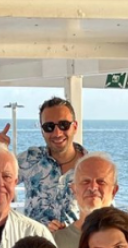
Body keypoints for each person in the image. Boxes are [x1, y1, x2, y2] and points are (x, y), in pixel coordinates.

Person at [52, 151, 120, 248]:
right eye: (85, 181)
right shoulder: (55, 242)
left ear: (114, 191)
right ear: (74, 190)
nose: (93, 187)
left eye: (101, 182)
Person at [18, 96, 85, 227]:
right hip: (35, 244)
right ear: (42, 131)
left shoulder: (91, 166)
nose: (57, 133)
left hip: (76, 245)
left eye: (64, 125)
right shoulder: (29, 159)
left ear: (75, 126)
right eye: (49, 127)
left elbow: (103, 211)